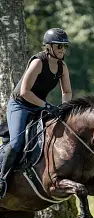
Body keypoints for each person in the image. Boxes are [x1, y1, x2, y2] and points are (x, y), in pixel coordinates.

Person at [0, 27, 72, 198]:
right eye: (59, 46)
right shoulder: (38, 62)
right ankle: (2, 179)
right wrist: (47, 106)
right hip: (20, 105)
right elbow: (25, 92)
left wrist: (64, 109)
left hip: (39, 105)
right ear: (48, 47)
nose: (62, 50)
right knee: (17, 142)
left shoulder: (62, 66)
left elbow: (67, 92)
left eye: (64, 46)